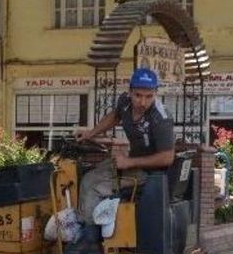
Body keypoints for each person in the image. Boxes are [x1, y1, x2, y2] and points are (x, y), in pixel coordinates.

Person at [75, 68, 175, 224]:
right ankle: (99, 225)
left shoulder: (161, 118)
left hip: (150, 174)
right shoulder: (124, 102)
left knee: (90, 183)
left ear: (156, 93)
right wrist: (91, 133)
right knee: (94, 171)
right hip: (133, 162)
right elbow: (115, 116)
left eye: (149, 96)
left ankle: (89, 237)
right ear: (130, 92)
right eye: (138, 95)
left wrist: (129, 162)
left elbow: (167, 157)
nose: (143, 102)